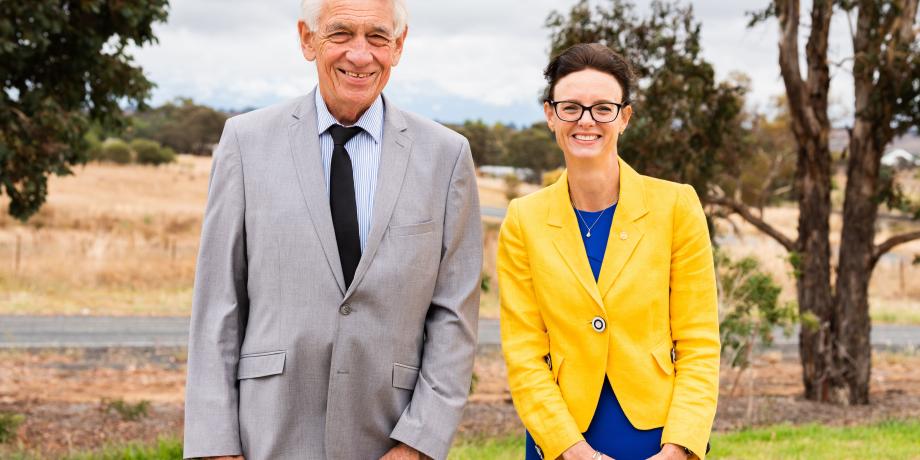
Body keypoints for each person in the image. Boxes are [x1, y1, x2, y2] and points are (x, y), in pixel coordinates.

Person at [182, 1, 482, 459]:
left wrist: (418, 443)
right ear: (307, 40)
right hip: (266, 435)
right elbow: (217, 306)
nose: (360, 55)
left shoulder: (447, 156)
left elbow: (454, 315)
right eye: (340, 34)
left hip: (390, 435)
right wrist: (216, 448)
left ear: (398, 46)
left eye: (377, 37)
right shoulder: (245, 142)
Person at [498, 43, 720, 460]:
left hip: (656, 436)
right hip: (561, 438)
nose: (586, 121)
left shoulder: (676, 207)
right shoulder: (523, 219)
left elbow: (699, 343)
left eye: (603, 108)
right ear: (550, 115)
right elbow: (524, 354)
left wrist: (681, 447)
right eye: (571, 107)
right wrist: (571, 449)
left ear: (624, 117)